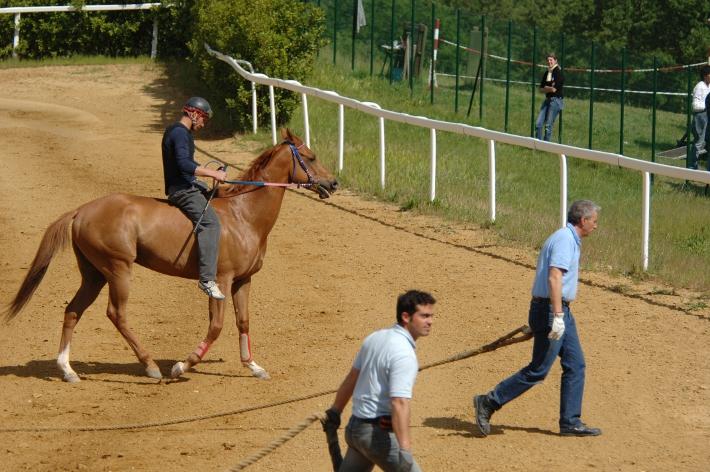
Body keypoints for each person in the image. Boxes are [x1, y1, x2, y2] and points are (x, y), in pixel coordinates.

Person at [473, 200, 602, 437]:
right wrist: (557, 316)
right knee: (539, 369)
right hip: (553, 310)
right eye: (594, 221)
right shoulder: (565, 240)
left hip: (558, 310)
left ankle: (570, 421)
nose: (596, 226)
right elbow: (554, 278)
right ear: (583, 220)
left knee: (575, 364)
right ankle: (489, 401)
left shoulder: (568, 238)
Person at [321, 290, 436, 471]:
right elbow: (399, 402)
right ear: (406, 317)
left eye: (431, 316)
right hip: (376, 436)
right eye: (424, 316)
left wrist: (335, 410)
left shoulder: (375, 338)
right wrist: (405, 451)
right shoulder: (404, 354)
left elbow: (353, 377)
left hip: (356, 430)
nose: (430, 321)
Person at [162, 97, 228, 300]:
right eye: (204, 119)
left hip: (187, 184)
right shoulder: (180, 134)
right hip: (182, 190)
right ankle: (207, 279)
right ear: (194, 114)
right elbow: (184, 165)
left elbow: (187, 162)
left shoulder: (178, 132)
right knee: (210, 224)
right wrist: (213, 174)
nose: (203, 124)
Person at [535, 52, 565, 142]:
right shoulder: (547, 73)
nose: (549, 62)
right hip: (548, 100)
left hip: (556, 101)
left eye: (551, 60)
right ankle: (537, 144)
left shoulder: (558, 73)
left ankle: (545, 146)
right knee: (538, 124)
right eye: (548, 60)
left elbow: (554, 90)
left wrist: (547, 88)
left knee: (548, 125)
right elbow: (541, 89)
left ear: (555, 61)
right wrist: (549, 88)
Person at [688, 65, 710, 170]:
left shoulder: (709, 86)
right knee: (698, 143)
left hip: (707, 116)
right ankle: (692, 167)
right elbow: (695, 105)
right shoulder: (699, 86)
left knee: (706, 142)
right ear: (706, 75)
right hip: (700, 117)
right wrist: (707, 106)